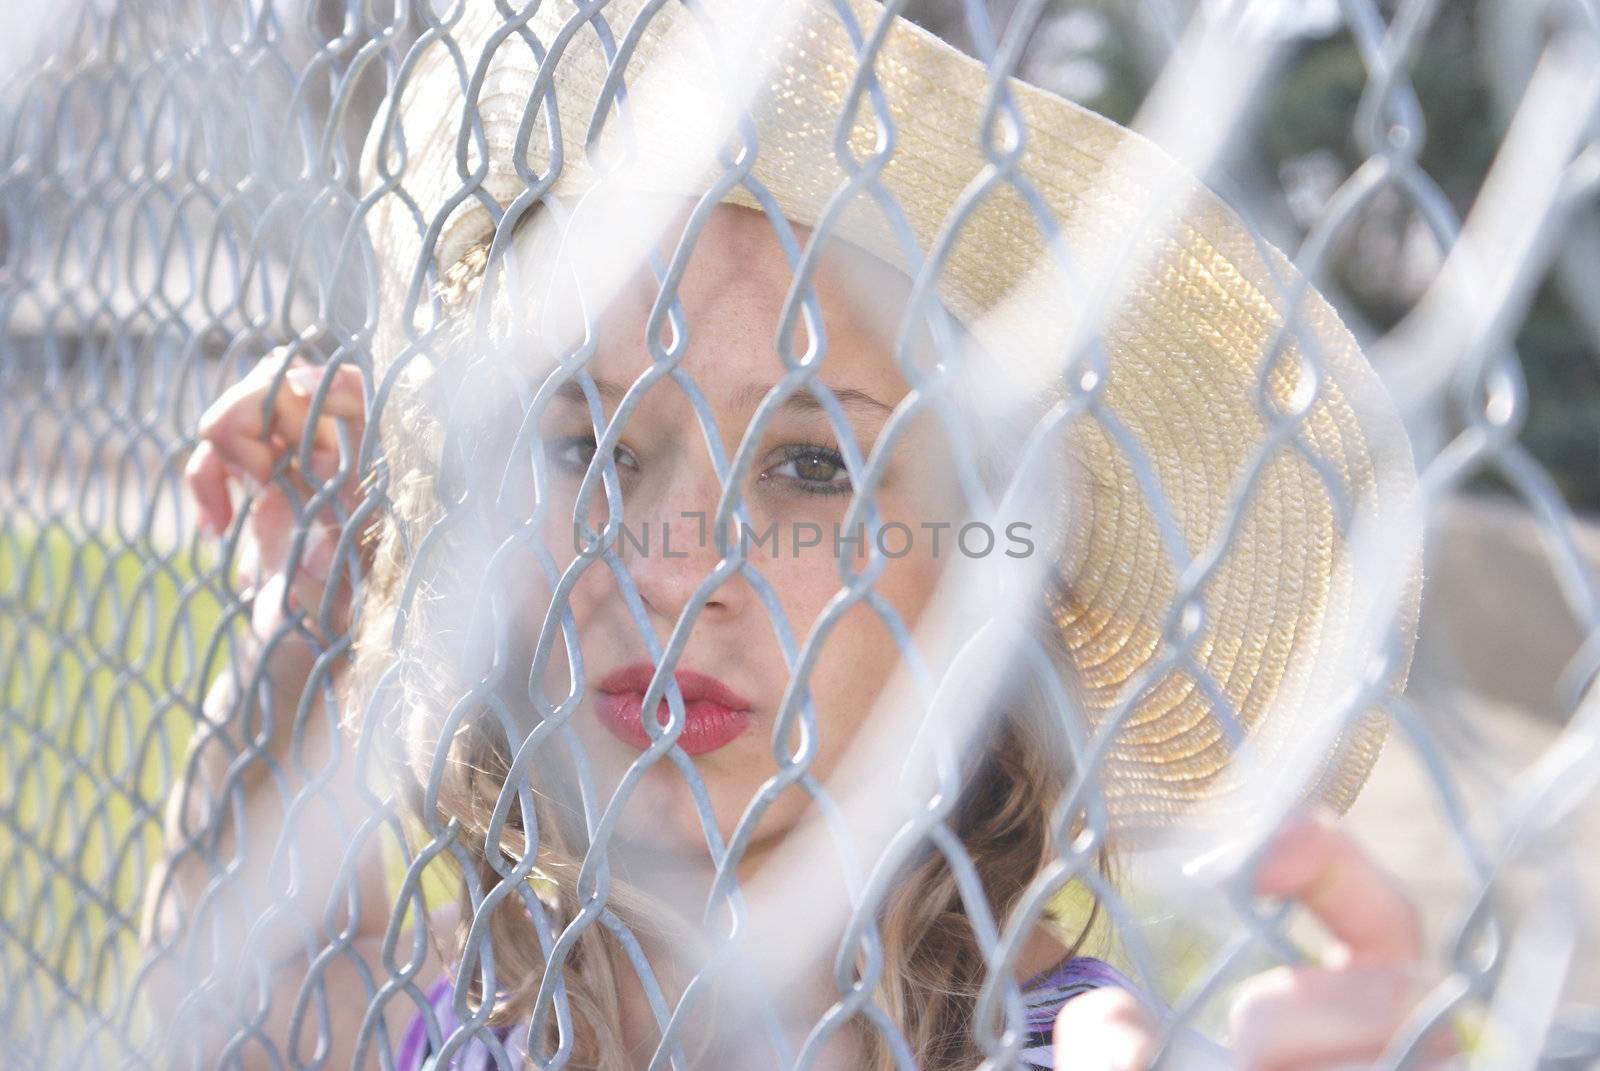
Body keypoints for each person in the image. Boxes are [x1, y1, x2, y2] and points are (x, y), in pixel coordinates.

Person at [142, 0, 1458, 1068]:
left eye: (814, 464)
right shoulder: (482, 1007)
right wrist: (316, 595)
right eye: (590, 447)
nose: (659, 566)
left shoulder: (1074, 1048)